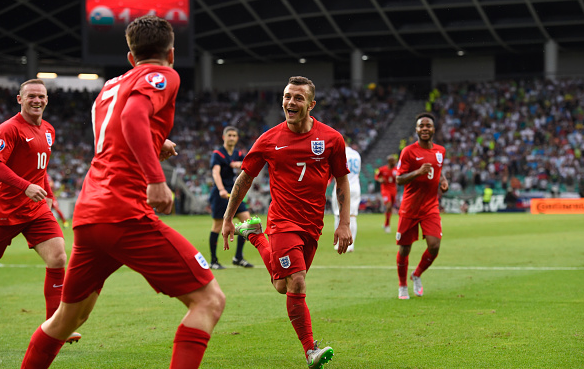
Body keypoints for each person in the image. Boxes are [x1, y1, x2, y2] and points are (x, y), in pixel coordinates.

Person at [21, 15, 225, 369]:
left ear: (130, 57)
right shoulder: (165, 75)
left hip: (90, 214)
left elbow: (117, 129)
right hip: (124, 212)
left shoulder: (110, 86)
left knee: (66, 319)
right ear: (172, 54)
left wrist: (156, 140)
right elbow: (132, 118)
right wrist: (155, 178)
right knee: (209, 300)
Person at [222, 76, 352, 369]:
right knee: (296, 281)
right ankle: (311, 350)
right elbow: (245, 178)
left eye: (297, 98)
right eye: (287, 96)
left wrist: (343, 223)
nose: (290, 103)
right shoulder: (269, 139)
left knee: (282, 285)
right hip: (282, 221)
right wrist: (228, 216)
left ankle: (255, 236)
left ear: (311, 104)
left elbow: (341, 180)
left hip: (313, 226)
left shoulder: (331, 139)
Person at [0, 79, 80, 344]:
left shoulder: (48, 130)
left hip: (35, 210)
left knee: (58, 257)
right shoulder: (8, 129)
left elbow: (40, 170)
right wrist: (25, 187)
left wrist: (49, 196)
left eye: (41, 96)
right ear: (19, 99)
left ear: (47, 99)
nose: (37, 100)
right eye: (31, 96)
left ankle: (55, 327)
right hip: (4, 210)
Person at [395, 112, 448, 300]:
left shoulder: (440, 151)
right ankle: (402, 285)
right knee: (405, 248)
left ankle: (416, 274)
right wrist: (418, 172)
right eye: (421, 126)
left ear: (434, 129)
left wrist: (443, 181)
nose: (425, 129)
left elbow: (439, 171)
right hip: (410, 207)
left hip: (430, 206)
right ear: (416, 129)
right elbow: (399, 178)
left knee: (434, 246)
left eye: (428, 126)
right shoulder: (408, 151)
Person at [208, 126, 254, 269]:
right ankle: (214, 261)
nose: (232, 138)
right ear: (224, 137)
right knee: (217, 226)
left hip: (234, 192)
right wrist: (221, 189)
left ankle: (238, 257)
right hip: (220, 193)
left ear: (237, 138)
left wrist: (239, 164)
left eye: (234, 135)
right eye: (230, 135)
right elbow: (215, 173)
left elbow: (246, 165)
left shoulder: (238, 153)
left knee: (248, 223)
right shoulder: (218, 154)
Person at [331, 135, 361, 252]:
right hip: (355, 187)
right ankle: (351, 245)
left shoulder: (340, 153)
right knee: (352, 216)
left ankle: (339, 243)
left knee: (338, 215)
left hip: (342, 187)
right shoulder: (356, 154)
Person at [375, 154, 398, 233]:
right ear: (389, 161)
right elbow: (376, 176)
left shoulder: (396, 170)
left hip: (393, 190)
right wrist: (380, 179)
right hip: (385, 189)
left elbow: (400, 177)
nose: (395, 162)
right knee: (388, 205)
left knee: (390, 207)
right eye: (393, 161)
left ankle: (386, 224)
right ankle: (387, 225)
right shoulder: (382, 169)